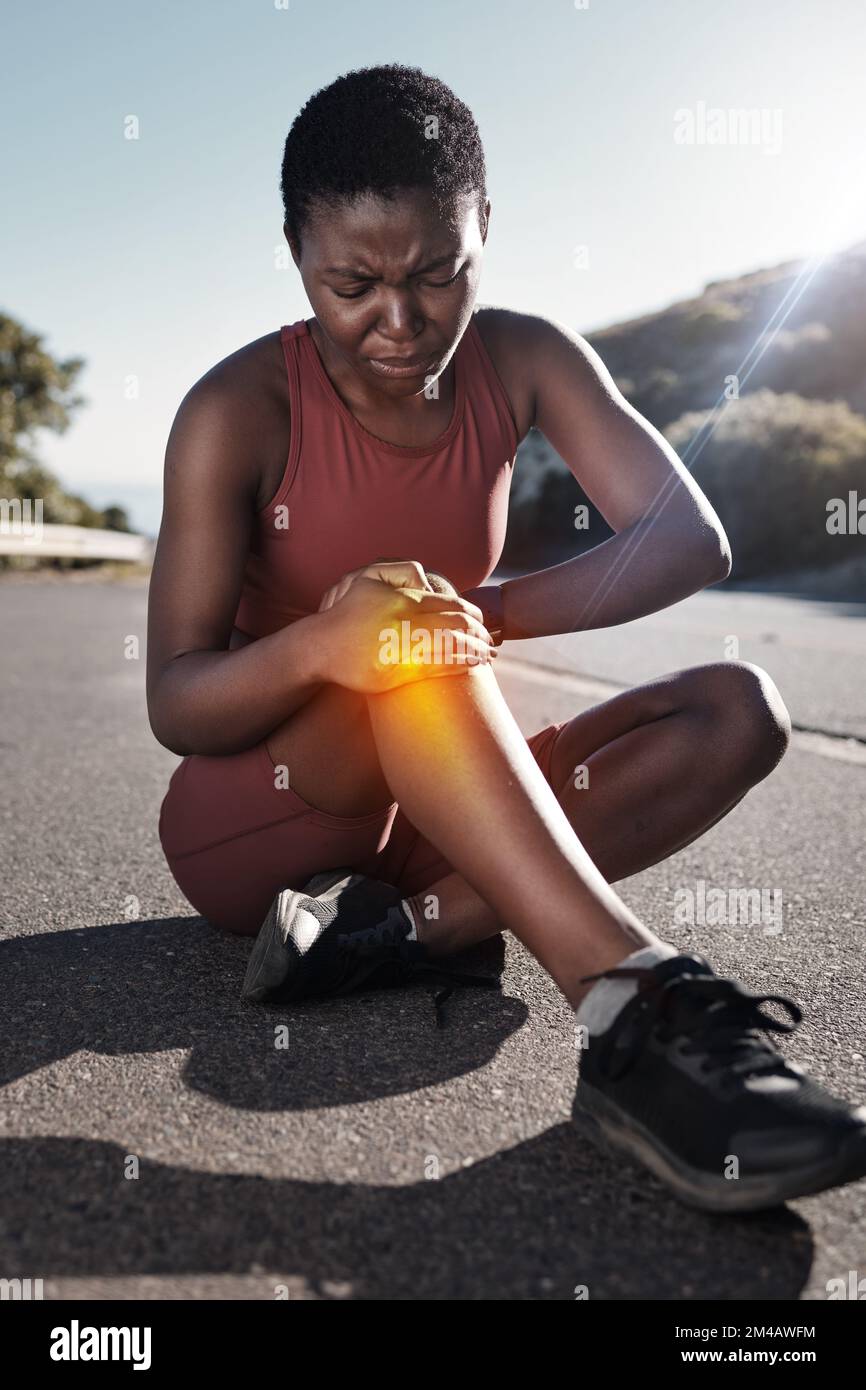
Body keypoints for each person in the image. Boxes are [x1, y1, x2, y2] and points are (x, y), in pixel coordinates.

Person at [146, 63, 866, 1213]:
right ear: (294, 256)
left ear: (485, 229)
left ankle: (392, 936)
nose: (399, 320)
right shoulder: (236, 410)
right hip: (263, 810)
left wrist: (483, 612)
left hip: (442, 805)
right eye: (352, 285)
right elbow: (175, 698)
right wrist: (329, 644)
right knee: (407, 647)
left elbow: (687, 537)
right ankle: (632, 1010)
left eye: (438, 272)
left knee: (738, 710)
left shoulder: (524, 356)